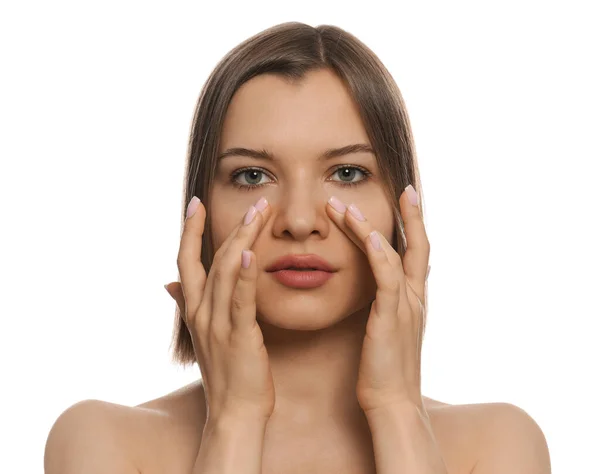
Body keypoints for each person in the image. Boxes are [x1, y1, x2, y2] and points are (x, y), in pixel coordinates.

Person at [44, 21, 551, 474]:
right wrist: (233, 421)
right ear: (201, 212)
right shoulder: (101, 442)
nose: (300, 221)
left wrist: (397, 408)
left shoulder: (500, 445)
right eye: (252, 175)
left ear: (402, 213)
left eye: (348, 173)